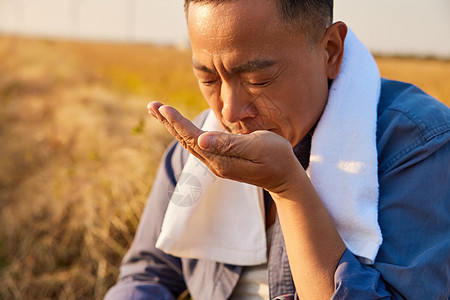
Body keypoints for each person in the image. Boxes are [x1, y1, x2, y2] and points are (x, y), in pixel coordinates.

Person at [104, 0, 450, 299]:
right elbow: (150, 271)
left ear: (330, 50)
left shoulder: (418, 145)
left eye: (258, 81)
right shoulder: (202, 141)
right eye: (208, 79)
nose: (228, 111)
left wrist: (288, 187)